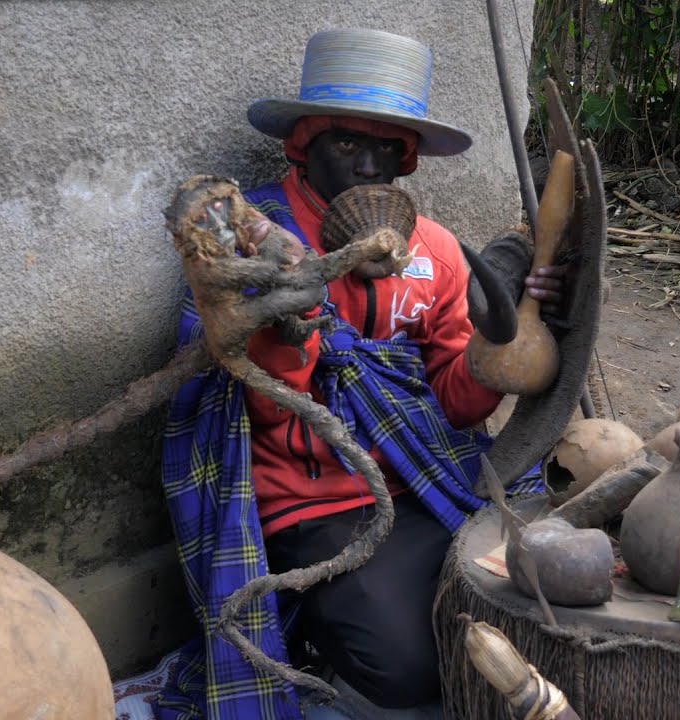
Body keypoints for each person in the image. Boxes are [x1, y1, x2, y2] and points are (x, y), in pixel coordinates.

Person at [155, 28, 565, 720]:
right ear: (303, 144)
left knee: (539, 591)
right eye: (346, 142)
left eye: (388, 148)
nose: (370, 165)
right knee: (408, 669)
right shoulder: (251, 244)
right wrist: (290, 326)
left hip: (429, 472)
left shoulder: (435, 252)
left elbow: (455, 407)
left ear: (407, 156)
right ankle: (323, 634)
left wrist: (498, 350)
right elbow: (260, 409)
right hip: (314, 502)